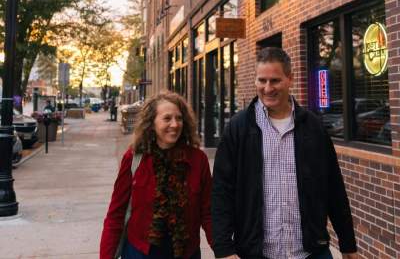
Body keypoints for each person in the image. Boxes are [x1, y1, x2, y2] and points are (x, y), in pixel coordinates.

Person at [211, 47, 357, 259]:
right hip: (256, 253)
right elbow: (221, 191)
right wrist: (224, 249)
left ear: (290, 79)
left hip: (310, 252)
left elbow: (334, 187)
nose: (267, 88)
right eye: (262, 80)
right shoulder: (238, 128)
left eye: (275, 81)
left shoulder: (313, 127)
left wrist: (348, 244)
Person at [100, 91, 213, 259]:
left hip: (186, 253)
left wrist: (223, 250)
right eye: (167, 118)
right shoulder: (134, 159)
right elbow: (116, 213)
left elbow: (208, 212)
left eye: (179, 118)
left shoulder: (198, 160)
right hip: (140, 253)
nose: (175, 124)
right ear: (151, 123)